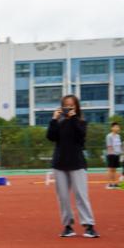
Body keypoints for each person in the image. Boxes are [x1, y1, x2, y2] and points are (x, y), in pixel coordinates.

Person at [46, 93, 98, 238]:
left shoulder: (80, 121)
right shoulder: (59, 122)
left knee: (81, 195)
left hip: (77, 163)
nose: (68, 107)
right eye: (66, 105)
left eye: (71, 105)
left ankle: (89, 225)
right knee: (63, 197)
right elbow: (50, 137)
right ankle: (67, 226)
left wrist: (73, 118)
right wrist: (54, 119)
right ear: (61, 107)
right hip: (59, 163)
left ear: (76, 107)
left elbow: (81, 136)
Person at [104, 122, 122, 189]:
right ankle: (109, 184)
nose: (117, 128)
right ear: (112, 128)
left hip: (117, 154)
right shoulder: (109, 136)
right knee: (110, 169)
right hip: (111, 154)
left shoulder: (118, 136)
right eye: (116, 127)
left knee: (114, 170)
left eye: (118, 127)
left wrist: (119, 153)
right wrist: (111, 154)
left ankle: (114, 183)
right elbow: (109, 146)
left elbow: (119, 145)